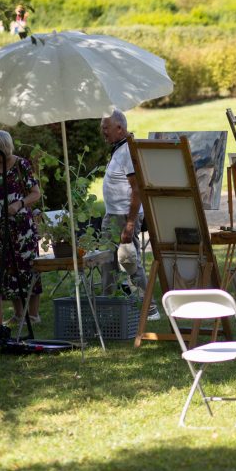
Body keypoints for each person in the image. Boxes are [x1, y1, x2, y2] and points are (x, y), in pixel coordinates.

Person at [0, 130, 43, 325]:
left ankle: (33, 315)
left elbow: (36, 193)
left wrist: (19, 204)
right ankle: (19, 314)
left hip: (22, 228)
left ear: (3, 148)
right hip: (0, 227)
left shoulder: (21, 165)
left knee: (28, 268)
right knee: (8, 270)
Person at [99, 110, 152, 317]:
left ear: (119, 128)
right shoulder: (119, 148)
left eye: (106, 128)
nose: (103, 132)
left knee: (130, 262)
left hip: (123, 216)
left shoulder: (128, 150)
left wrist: (130, 223)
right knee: (107, 262)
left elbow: (137, 189)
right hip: (114, 214)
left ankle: (149, 307)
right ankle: (109, 307)